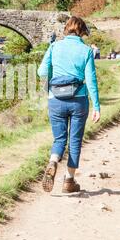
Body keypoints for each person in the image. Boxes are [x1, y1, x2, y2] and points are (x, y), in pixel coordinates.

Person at [38, 16, 101, 194]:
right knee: (75, 141)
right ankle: (69, 181)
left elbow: (41, 71)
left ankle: (53, 161)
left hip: (55, 100)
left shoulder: (54, 46)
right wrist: (96, 106)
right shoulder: (86, 51)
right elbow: (91, 80)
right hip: (78, 100)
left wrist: (53, 76)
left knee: (59, 139)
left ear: (66, 29)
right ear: (82, 31)